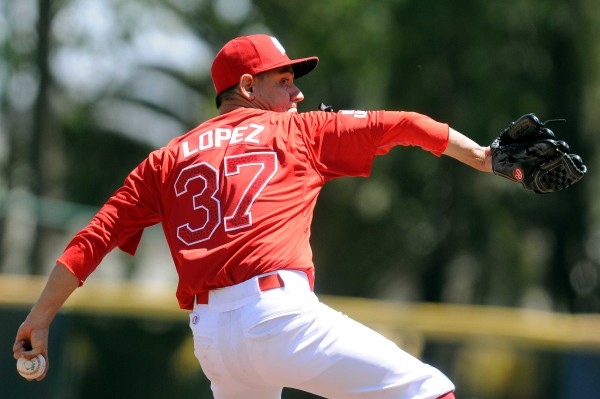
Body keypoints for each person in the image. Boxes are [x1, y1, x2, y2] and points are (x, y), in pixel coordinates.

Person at [14, 34, 492, 399]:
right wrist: (485, 158)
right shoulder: (297, 131)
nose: (297, 94)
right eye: (283, 81)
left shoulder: (165, 159)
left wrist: (40, 316)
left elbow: (93, 238)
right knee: (431, 390)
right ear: (246, 86)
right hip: (278, 318)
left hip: (213, 340)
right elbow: (406, 123)